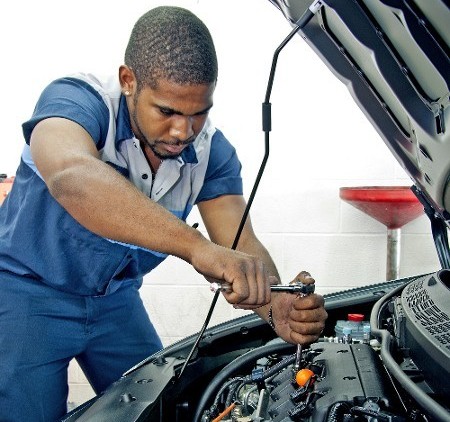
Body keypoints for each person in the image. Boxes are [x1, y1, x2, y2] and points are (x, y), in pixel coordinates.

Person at [0, 6, 327, 421]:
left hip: (115, 302)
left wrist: (273, 301)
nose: (183, 132)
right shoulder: (78, 102)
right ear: (128, 81)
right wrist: (195, 248)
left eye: (198, 112)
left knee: (164, 407)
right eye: (167, 111)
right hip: (27, 295)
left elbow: (239, 242)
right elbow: (71, 176)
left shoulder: (212, 154)